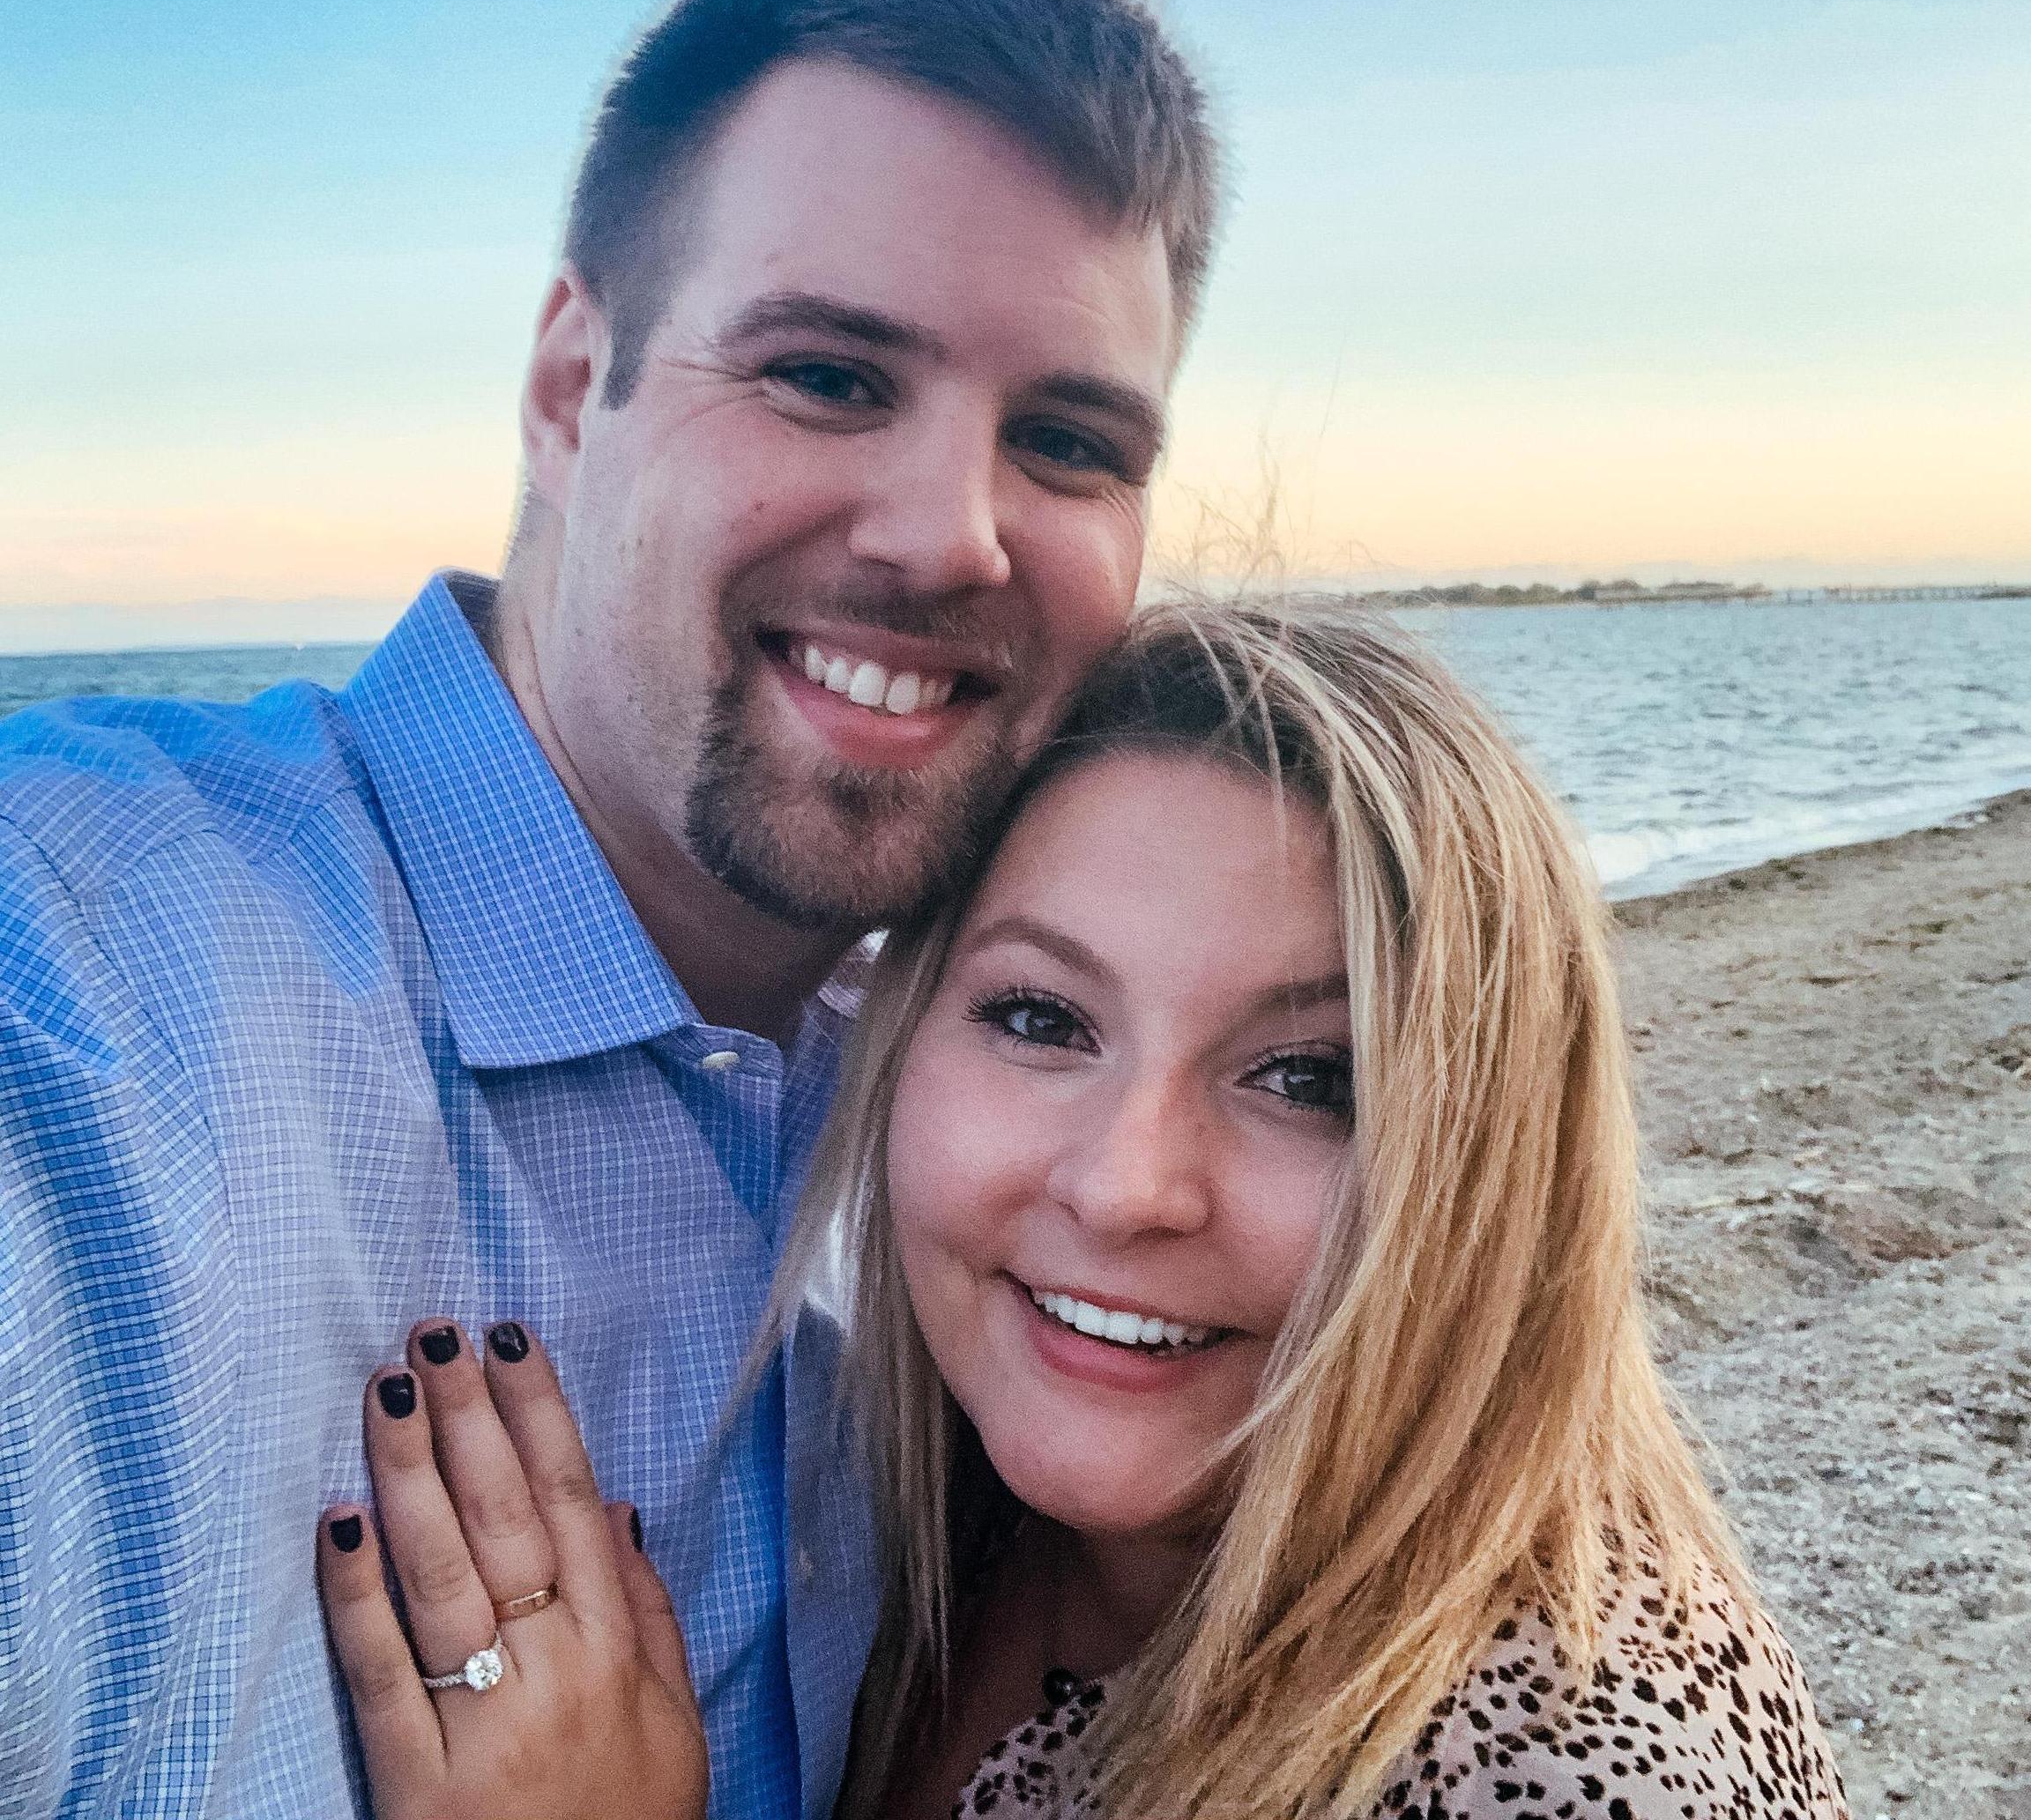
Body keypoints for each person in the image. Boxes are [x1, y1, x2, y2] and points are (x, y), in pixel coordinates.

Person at [0, 0, 1218, 1820]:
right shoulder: (74, 1024)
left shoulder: (989, 1113)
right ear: (575, 386)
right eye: (827, 374)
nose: (952, 537)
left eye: (1070, 441)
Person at [318, 595, 1851, 1819]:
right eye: (1044, 1021)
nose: (1126, 1188)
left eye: (1309, 1079)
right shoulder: (921, 1513)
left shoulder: (1562, 1774)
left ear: (1489, 1174)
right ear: (897, 1031)